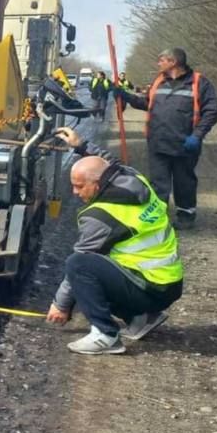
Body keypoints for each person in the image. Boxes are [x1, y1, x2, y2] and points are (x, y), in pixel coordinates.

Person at [45, 126, 183, 355]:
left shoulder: (102, 216)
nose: (75, 192)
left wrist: (60, 305)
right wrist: (81, 145)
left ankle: (105, 334)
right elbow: (109, 163)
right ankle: (142, 318)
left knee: (79, 265)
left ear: (97, 185)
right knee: (104, 264)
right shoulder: (134, 180)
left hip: (151, 287)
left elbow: (80, 262)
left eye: (79, 186)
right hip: (169, 282)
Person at [116, 47, 217, 229]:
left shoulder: (199, 83)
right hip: (158, 143)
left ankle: (186, 217)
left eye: (162, 60)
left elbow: (212, 111)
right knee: (158, 183)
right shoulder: (159, 82)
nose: (158, 64)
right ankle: (157, 218)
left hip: (185, 145)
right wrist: (125, 96)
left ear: (173, 62)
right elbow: (146, 103)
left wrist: (197, 135)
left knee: (184, 182)